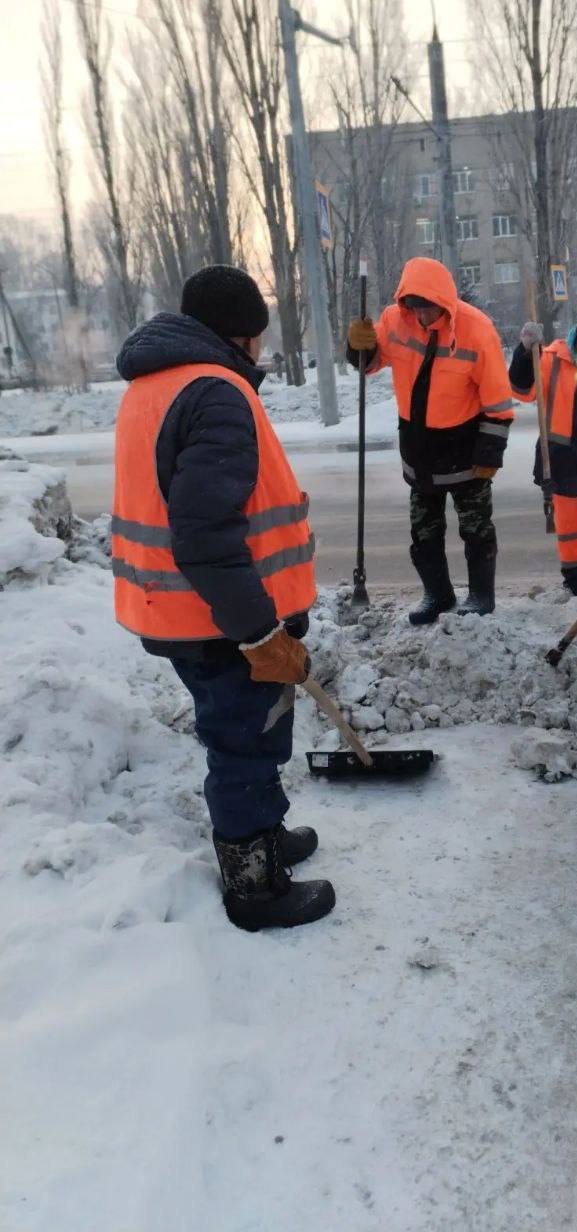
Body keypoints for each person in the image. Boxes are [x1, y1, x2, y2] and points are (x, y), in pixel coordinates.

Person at [112, 265, 335, 931]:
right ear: (241, 337)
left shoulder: (156, 384)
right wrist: (259, 631)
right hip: (218, 617)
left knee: (249, 732)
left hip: (186, 609)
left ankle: (263, 836)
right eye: (259, 338)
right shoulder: (215, 393)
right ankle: (255, 887)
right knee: (245, 742)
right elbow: (206, 533)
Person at [347, 257, 514, 622]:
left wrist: (490, 452)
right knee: (424, 531)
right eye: (414, 306)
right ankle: (437, 595)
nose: (421, 315)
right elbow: (371, 362)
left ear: (444, 301)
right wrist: (359, 347)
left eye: (428, 306)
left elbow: (499, 402)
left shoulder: (477, 329)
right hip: (419, 450)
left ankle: (481, 596)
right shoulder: (395, 320)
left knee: (476, 529)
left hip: (466, 450)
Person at [508, 310, 577, 595]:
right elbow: (520, 388)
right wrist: (525, 351)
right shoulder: (551, 359)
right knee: (570, 534)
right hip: (561, 463)